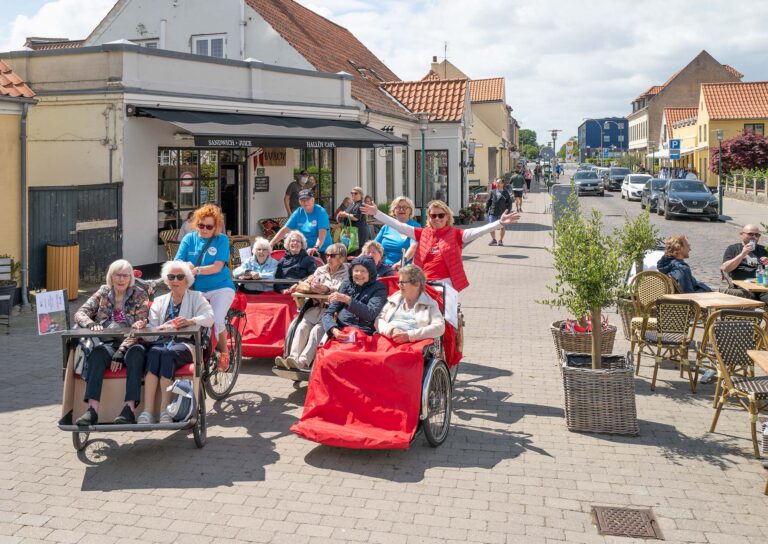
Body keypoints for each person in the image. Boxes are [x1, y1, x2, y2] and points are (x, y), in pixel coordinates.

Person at [362, 200, 519, 292]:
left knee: (447, 322)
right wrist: (377, 213)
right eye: (433, 215)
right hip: (422, 283)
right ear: (429, 218)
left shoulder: (457, 234)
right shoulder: (422, 233)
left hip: (446, 284)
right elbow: (398, 225)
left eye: (441, 215)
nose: (437, 218)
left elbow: (478, 231)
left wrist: (499, 223)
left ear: (447, 217)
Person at [74, 260, 149, 426]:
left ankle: (129, 408)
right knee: (97, 354)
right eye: (117, 275)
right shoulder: (103, 292)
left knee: (136, 354)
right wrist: (91, 324)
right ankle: (92, 409)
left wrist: (121, 350)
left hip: (131, 343)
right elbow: (80, 313)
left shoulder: (140, 294)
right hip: (107, 343)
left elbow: (141, 324)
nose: (121, 279)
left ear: (130, 278)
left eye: (125, 275)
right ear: (111, 276)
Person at [137, 261, 214, 424]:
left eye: (180, 277)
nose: (175, 280)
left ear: (187, 280)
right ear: (166, 280)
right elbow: (152, 328)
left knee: (166, 354)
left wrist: (191, 321)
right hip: (162, 342)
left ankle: (165, 410)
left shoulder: (196, 297)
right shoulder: (159, 300)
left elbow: (209, 317)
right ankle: (147, 412)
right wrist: (149, 327)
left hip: (186, 344)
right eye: (171, 277)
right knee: (154, 353)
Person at [174, 203, 235, 370]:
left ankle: (224, 353)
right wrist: (184, 264)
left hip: (221, 288)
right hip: (197, 290)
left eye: (209, 226)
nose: (204, 230)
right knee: (186, 321)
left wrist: (195, 269)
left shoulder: (221, 239)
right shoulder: (189, 239)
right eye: (201, 225)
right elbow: (177, 261)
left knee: (217, 318)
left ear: (216, 227)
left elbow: (217, 267)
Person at [276, 243, 349, 370]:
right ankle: (291, 358)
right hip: (315, 307)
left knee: (317, 331)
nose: (328, 258)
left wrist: (326, 289)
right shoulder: (320, 270)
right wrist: (306, 285)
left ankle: (303, 362)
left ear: (342, 258)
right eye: (327, 255)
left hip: (332, 311)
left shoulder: (347, 272)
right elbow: (311, 283)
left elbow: (342, 289)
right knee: (301, 327)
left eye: (332, 255)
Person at [322, 256, 388, 339]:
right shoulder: (347, 284)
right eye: (356, 270)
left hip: (364, 333)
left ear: (370, 273)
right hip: (342, 330)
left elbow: (371, 313)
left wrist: (348, 300)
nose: (359, 274)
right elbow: (328, 313)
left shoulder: (379, 288)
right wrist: (333, 329)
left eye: (363, 271)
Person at [376, 265, 445, 343]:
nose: (399, 285)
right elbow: (379, 319)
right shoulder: (394, 298)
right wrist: (391, 330)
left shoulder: (429, 303)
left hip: (412, 344)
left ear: (416, 284)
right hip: (388, 338)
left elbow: (440, 327)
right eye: (399, 282)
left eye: (403, 282)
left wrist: (409, 335)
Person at [270, 189, 330, 257]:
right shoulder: (298, 212)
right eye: (302, 200)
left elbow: (322, 234)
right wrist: (271, 243)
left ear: (313, 200)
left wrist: (316, 248)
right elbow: (285, 230)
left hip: (321, 251)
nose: (305, 202)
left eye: (307, 199)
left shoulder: (321, 212)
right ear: (299, 202)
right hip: (304, 251)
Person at [374, 196, 419, 269]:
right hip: (384, 266)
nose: (401, 209)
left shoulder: (414, 227)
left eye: (404, 207)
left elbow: (413, 247)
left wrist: (401, 262)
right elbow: (374, 245)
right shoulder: (386, 227)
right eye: (398, 207)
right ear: (394, 211)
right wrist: (361, 257)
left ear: (410, 211)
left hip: (405, 268)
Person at [336, 186, 370, 252]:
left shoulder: (361, 205)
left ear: (361, 195)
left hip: (358, 233)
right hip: (349, 232)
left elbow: (356, 218)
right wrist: (341, 214)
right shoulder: (351, 204)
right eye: (352, 193)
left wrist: (345, 214)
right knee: (349, 251)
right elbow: (346, 213)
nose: (353, 195)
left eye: (355, 193)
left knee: (356, 252)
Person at [486, 178, 512, 246]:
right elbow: (489, 202)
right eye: (496, 183)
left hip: (502, 213)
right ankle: (494, 240)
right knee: (491, 227)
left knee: (502, 227)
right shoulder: (493, 191)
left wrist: (507, 211)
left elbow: (509, 203)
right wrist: (487, 210)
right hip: (493, 212)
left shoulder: (506, 193)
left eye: (499, 183)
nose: (497, 184)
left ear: (503, 184)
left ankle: (500, 240)